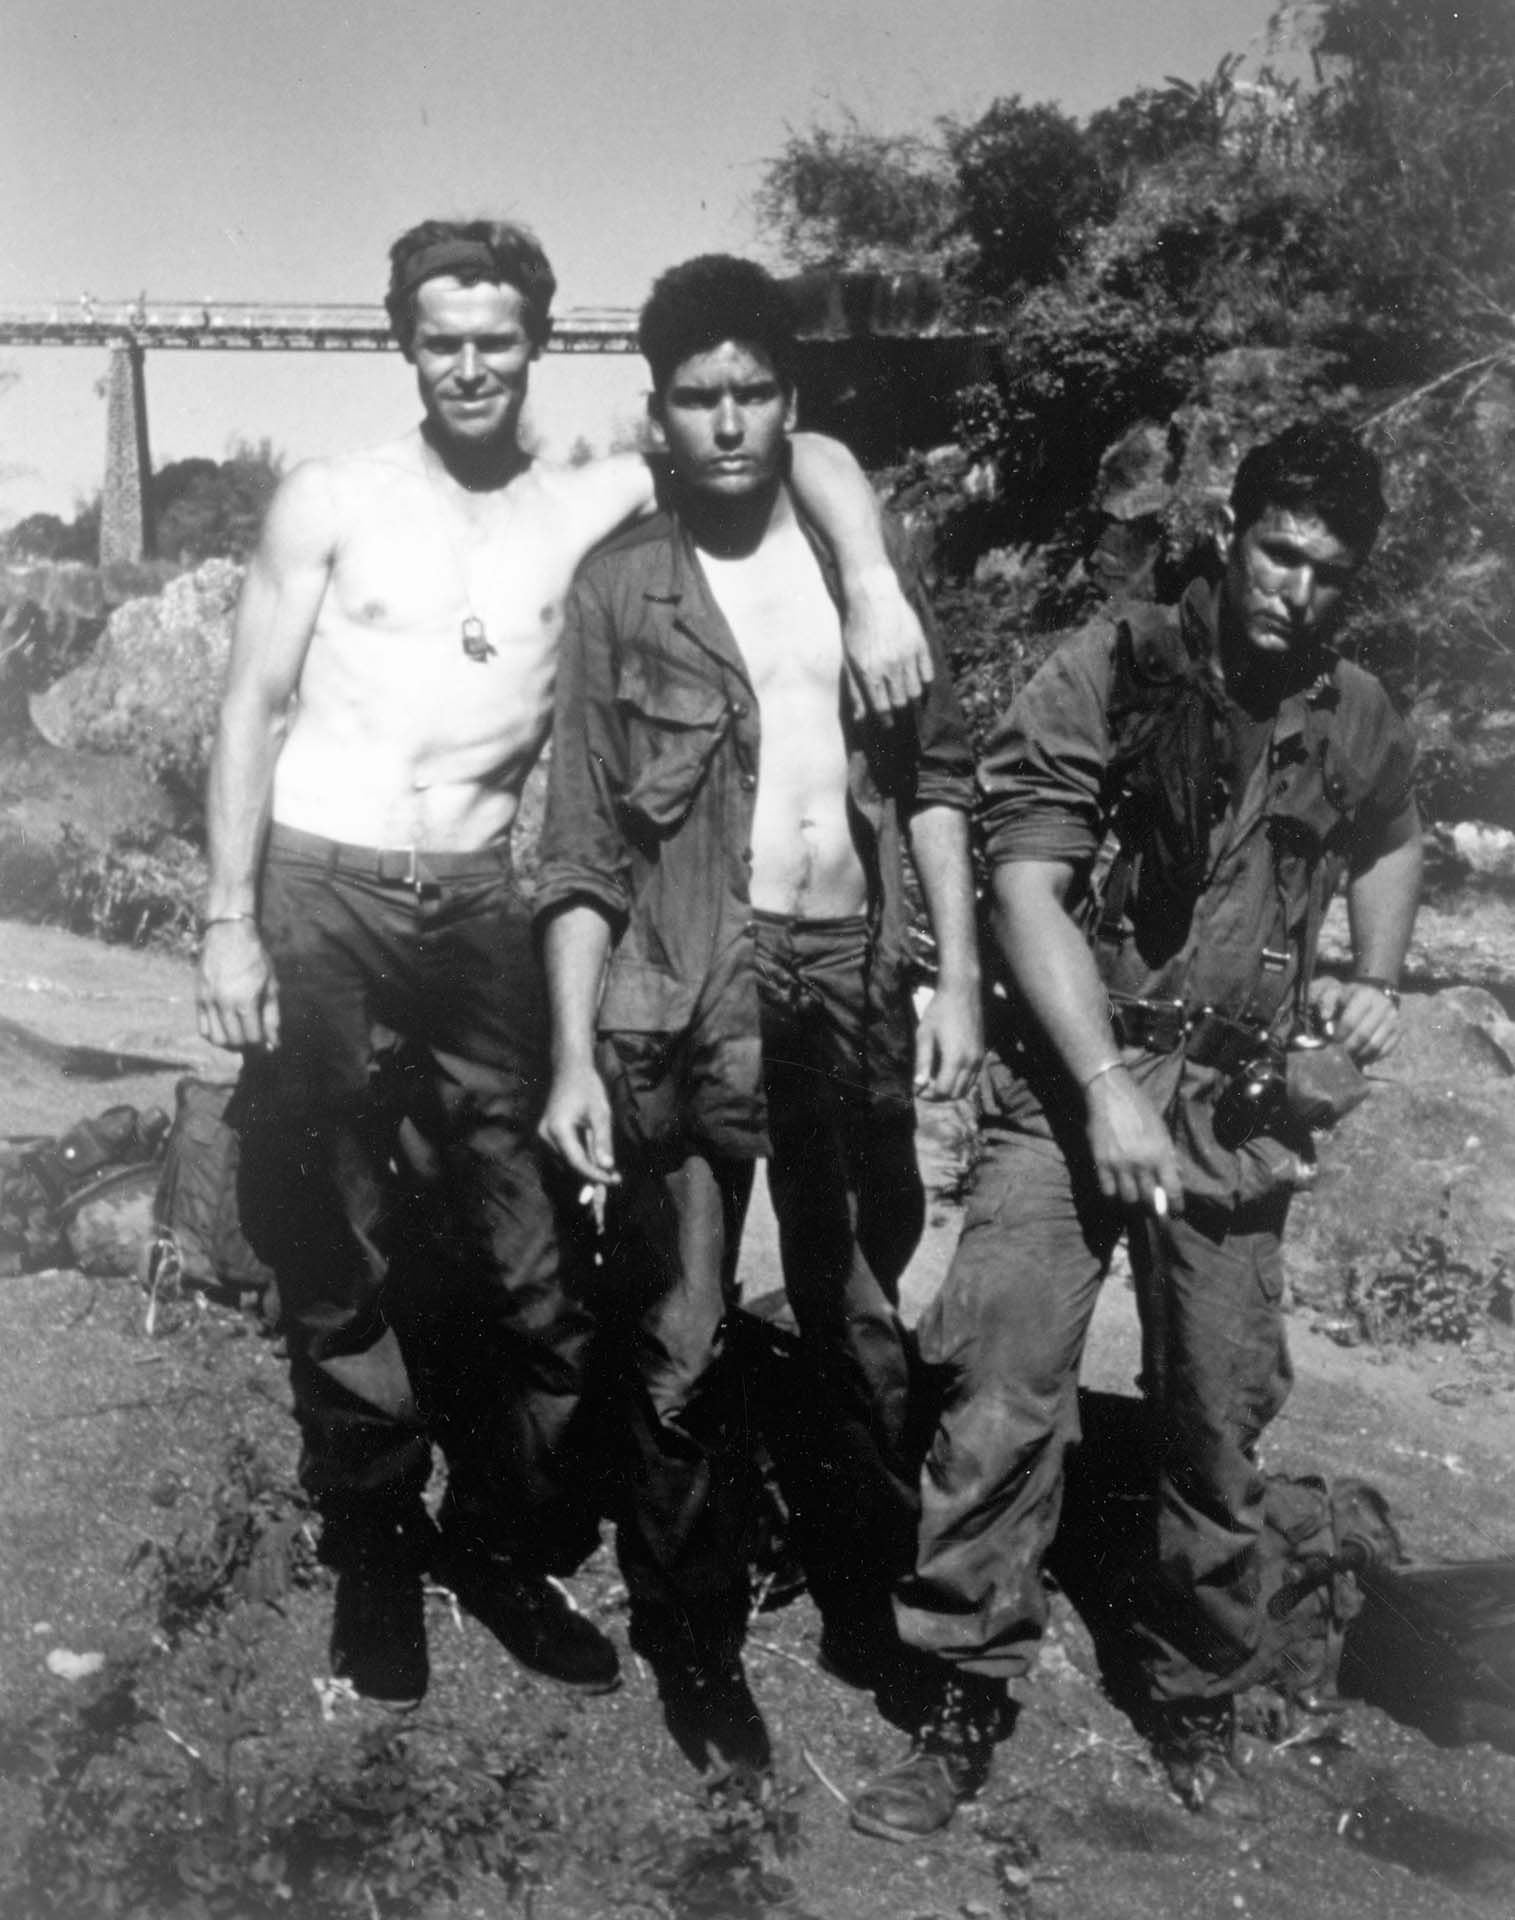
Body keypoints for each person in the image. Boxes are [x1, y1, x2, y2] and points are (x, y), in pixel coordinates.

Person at [194, 218, 935, 1707]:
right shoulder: (331, 499)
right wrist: (225, 916)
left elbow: (795, 440)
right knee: (337, 1238)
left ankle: (502, 1537)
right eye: (441, 338)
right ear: (404, 341)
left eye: (498, 339)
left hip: (476, 897)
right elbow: (252, 705)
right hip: (322, 885)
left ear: (539, 345)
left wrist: (870, 574)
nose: (470, 365)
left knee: (539, 1255)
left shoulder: (591, 496)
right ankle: (378, 1547)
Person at [849, 421, 1424, 1839]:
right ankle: (963, 1689)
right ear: (1231, 535)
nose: (1296, 590)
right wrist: (1105, 1086)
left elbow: (1392, 828)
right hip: (1070, 1086)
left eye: (1328, 572)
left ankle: (1194, 1692)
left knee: (1215, 1417)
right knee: (1001, 1374)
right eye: (1278, 554)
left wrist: (1373, 980)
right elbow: (1026, 884)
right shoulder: (1109, 667)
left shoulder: (1353, 710)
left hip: (1234, 1111)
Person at [535, 254, 981, 1778]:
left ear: (791, 402)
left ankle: (869, 1609)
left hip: (848, 974)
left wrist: (960, 986)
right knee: (679, 1337)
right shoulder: (622, 589)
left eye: (752, 392)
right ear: (658, 414)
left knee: (860, 1319)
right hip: (683, 995)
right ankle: (697, 1651)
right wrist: (569, 1055)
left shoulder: (860, 552)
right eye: (696, 397)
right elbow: (583, 847)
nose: (727, 422)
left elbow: (933, 781)